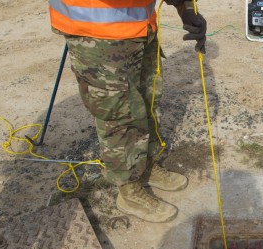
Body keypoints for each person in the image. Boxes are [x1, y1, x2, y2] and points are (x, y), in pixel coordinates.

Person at [48, 0, 206, 222]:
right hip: (98, 34)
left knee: (147, 99)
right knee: (119, 113)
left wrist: (185, 7)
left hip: (140, 27)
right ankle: (129, 190)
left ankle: (146, 165)